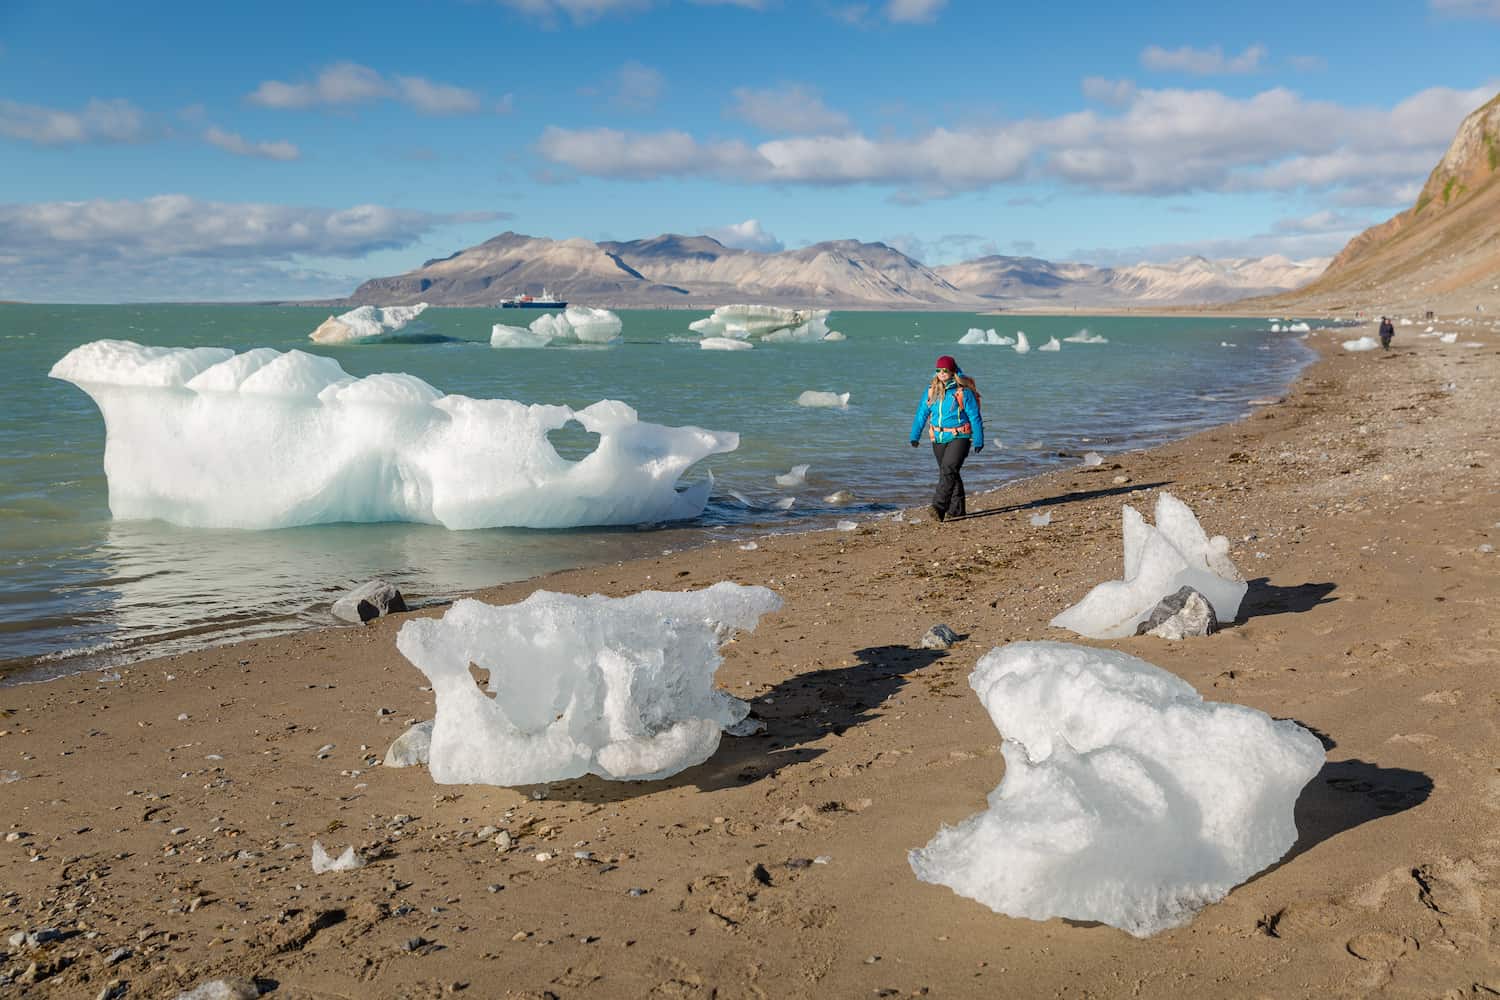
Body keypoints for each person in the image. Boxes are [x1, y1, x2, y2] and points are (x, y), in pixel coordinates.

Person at [910, 355, 983, 522]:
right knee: (949, 473)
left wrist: (978, 439)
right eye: (938, 370)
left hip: (960, 436)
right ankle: (957, 510)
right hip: (938, 437)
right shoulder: (931, 391)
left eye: (945, 370)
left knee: (948, 469)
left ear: (952, 371)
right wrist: (915, 435)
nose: (942, 373)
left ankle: (938, 507)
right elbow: (921, 414)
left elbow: (974, 416)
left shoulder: (963, 392)